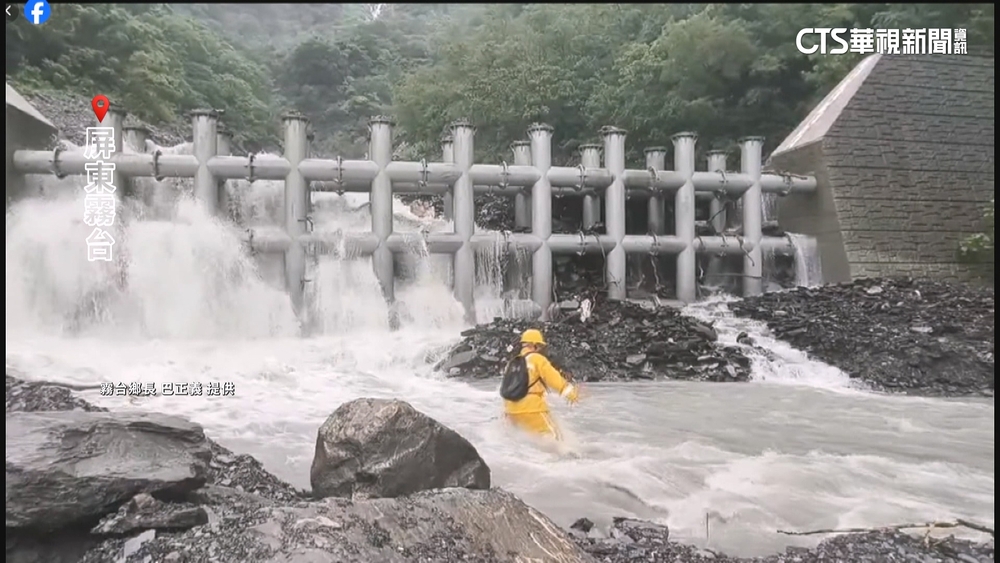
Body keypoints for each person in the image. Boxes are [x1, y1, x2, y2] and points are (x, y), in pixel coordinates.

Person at [503, 328, 579, 440]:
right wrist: (571, 394)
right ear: (535, 345)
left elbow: (507, 387)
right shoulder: (537, 359)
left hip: (510, 411)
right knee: (555, 438)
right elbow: (554, 379)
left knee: (525, 442)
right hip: (532, 408)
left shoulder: (513, 363)